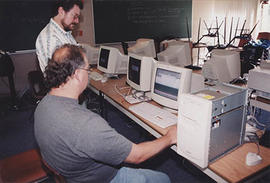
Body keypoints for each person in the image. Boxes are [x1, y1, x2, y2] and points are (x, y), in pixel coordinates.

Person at [34, 44, 177, 183]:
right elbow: (138, 155)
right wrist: (169, 137)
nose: (89, 74)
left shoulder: (44, 104)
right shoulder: (86, 124)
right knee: (163, 179)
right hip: (103, 179)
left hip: (70, 174)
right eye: (88, 70)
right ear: (77, 75)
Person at [35, 0, 83, 72]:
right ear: (61, 11)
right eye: (75, 16)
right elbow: (58, 76)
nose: (77, 21)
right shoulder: (50, 38)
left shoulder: (65, 33)